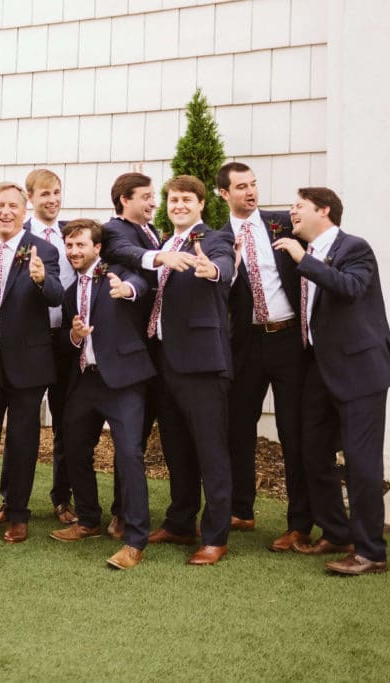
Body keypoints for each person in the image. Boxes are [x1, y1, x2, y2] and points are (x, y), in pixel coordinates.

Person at [273, 187, 390, 575]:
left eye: (299, 206)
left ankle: (371, 552)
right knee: (312, 452)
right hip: (319, 369)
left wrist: (301, 259)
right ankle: (336, 532)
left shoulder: (355, 248)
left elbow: (349, 289)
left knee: (362, 463)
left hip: (360, 371)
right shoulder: (308, 252)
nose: (291, 212)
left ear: (324, 210)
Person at [0, 157, 78, 528]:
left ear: (25, 211)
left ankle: (18, 513)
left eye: (12, 206)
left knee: (23, 441)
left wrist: (41, 279)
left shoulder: (44, 249)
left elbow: (56, 296)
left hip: (28, 362)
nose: (6, 212)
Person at [48, 219, 155, 570]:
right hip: (86, 381)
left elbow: (140, 284)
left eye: (82, 245)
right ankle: (88, 519)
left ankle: (135, 539)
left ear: (97, 247)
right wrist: (76, 336)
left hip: (124, 380)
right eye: (70, 246)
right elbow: (68, 337)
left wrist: (127, 290)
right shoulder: (67, 292)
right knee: (73, 448)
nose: (75, 251)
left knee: (128, 454)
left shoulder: (119, 273)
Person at [216, 162, 312, 551]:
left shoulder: (282, 223)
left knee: (294, 430)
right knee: (238, 428)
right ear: (224, 194)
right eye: (241, 187)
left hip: (288, 340)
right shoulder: (216, 238)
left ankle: (300, 524)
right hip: (246, 345)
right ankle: (242, 509)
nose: (250, 192)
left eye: (253, 185)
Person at [142, 175, 235, 566]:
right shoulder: (163, 244)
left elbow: (225, 267)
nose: (178, 204)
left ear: (201, 204)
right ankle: (180, 521)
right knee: (176, 447)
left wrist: (210, 269)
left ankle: (214, 536)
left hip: (200, 362)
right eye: (173, 199)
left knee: (210, 451)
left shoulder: (213, 240)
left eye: (186, 199)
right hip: (164, 360)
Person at [99, 172, 163, 539]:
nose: (153, 202)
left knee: (140, 436)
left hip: (158, 348)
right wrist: (161, 256)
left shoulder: (154, 231)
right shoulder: (114, 231)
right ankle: (121, 512)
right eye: (146, 196)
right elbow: (127, 256)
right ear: (124, 199)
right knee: (130, 437)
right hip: (130, 350)